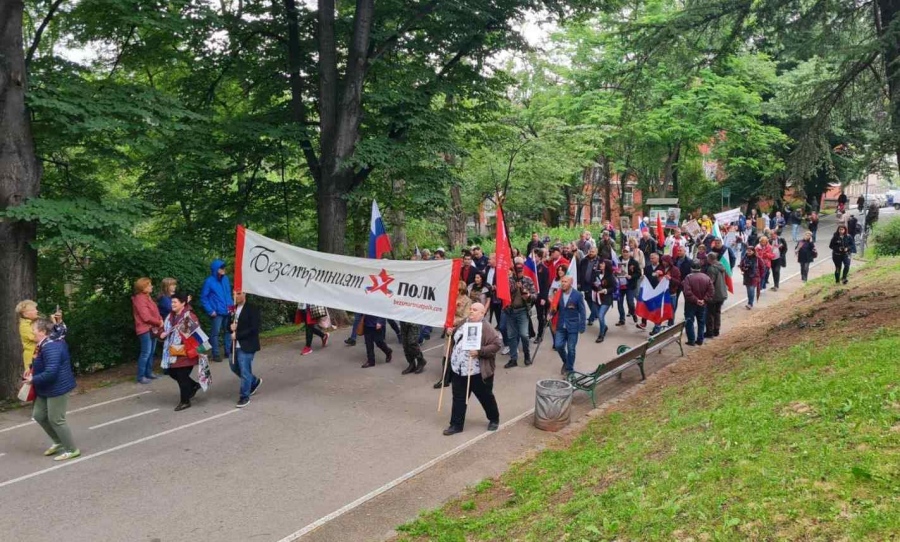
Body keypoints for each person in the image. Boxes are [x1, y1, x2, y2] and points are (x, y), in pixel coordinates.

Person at [442, 303, 503, 436]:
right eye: (470, 309)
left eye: (475, 310)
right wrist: (449, 333)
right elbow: (454, 336)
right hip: (459, 369)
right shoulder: (464, 322)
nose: (471, 311)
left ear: (482, 313)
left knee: (485, 397)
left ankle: (494, 418)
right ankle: (456, 425)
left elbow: (497, 345)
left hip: (477, 372)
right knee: (458, 398)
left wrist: (480, 351)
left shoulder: (486, 327)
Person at [27, 318, 80, 461]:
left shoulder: (51, 346)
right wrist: (31, 370)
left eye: (34, 330)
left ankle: (72, 449)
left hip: (57, 387)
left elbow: (51, 372)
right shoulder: (44, 343)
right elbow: (40, 361)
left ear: (43, 331)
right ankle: (58, 441)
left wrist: (33, 379)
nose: (32, 333)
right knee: (39, 415)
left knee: (56, 419)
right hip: (45, 387)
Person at [160, 292, 204, 411]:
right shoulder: (170, 316)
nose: (172, 304)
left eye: (175, 302)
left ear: (183, 303)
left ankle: (185, 401)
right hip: (174, 350)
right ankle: (193, 386)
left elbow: (194, 336)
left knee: (181, 375)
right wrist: (160, 333)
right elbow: (163, 329)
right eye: (172, 302)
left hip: (187, 351)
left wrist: (180, 332)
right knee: (171, 372)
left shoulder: (189, 316)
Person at [433, 282, 472, 388]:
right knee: (447, 353)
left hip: (459, 329)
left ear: (461, 290)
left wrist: (452, 322)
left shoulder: (467, 301)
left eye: (457, 290)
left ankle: (456, 375)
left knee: (457, 353)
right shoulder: (451, 299)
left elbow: (466, 317)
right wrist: (447, 323)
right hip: (449, 329)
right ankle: (444, 378)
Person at [229, 290, 262, 408]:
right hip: (234, 345)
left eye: (239, 293)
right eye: (234, 294)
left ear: (245, 294)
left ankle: (244, 396)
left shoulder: (252, 309)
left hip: (247, 345)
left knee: (244, 370)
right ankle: (254, 381)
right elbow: (229, 325)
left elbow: (254, 329)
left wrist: (238, 335)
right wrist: (230, 327)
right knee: (233, 366)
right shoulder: (232, 309)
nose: (236, 296)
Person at [551, 275, 586, 375]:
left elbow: (582, 312)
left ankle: (570, 369)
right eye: (562, 281)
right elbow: (555, 308)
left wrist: (582, 326)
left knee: (571, 349)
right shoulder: (558, 294)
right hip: (561, 325)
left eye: (565, 282)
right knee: (558, 346)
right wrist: (550, 314)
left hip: (573, 327)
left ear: (571, 283)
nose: (563, 283)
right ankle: (566, 361)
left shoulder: (578, 295)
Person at [132, 277, 164, 384]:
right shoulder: (139, 299)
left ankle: (149, 373)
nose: (151, 286)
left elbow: (155, 311)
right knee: (146, 352)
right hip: (145, 329)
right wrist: (159, 322)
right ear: (143, 287)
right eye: (149, 285)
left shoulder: (147, 297)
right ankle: (141, 377)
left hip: (152, 328)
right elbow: (145, 317)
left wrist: (160, 319)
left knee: (151, 352)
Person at [200, 259, 234, 362]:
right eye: (221, 267)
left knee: (228, 331)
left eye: (224, 267)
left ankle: (228, 352)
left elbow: (228, 295)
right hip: (217, 312)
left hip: (227, 310)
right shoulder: (209, 281)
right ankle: (216, 354)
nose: (224, 269)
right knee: (215, 333)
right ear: (215, 269)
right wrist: (210, 311)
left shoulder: (226, 279)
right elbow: (203, 298)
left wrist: (232, 308)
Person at [503, 264, 535, 368]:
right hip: (510, 311)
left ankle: (527, 355)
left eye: (521, 271)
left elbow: (535, 295)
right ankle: (513, 359)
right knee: (511, 336)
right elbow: (504, 294)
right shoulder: (508, 281)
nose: (519, 273)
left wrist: (528, 295)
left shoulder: (528, 280)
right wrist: (514, 288)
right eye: (517, 271)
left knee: (524, 335)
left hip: (522, 311)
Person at [682, 260, 713, 346]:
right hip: (703, 303)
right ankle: (700, 339)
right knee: (701, 321)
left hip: (690, 304)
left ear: (691, 268)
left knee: (689, 321)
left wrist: (696, 300)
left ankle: (691, 340)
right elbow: (711, 291)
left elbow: (687, 292)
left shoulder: (688, 277)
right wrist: (704, 300)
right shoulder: (706, 277)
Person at [704, 252, 728, 339]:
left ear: (710, 259)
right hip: (722, 293)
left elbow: (710, 282)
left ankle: (709, 332)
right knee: (717, 312)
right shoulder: (721, 266)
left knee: (710, 314)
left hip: (714, 295)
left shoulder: (712, 269)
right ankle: (716, 330)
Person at [591, 259, 616, 343]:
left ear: (607, 265)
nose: (601, 264)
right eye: (601, 263)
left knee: (601, 315)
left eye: (603, 263)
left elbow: (614, 288)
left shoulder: (610, 276)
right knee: (599, 315)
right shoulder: (597, 273)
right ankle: (604, 327)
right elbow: (593, 284)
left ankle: (601, 334)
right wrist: (594, 285)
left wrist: (605, 290)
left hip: (606, 299)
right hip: (597, 298)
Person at [617, 247, 641, 326]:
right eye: (624, 252)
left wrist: (631, 276)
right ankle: (622, 319)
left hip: (630, 285)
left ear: (629, 253)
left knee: (630, 301)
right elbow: (613, 269)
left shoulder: (634, 262)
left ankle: (633, 313)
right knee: (619, 302)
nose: (625, 253)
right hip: (620, 285)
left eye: (626, 252)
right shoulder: (617, 260)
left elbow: (638, 274)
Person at [578, 246, 600, 325]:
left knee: (594, 300)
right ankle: (595, 314)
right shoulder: (584, 260)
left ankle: (591, 317)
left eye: (593, 252)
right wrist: (579, 282)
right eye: (590, 251)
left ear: (596, 252)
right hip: (585, 284)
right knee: (588, 299)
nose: (591, 253)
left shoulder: (599, 261)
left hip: (595, 284)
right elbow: (579, 272)